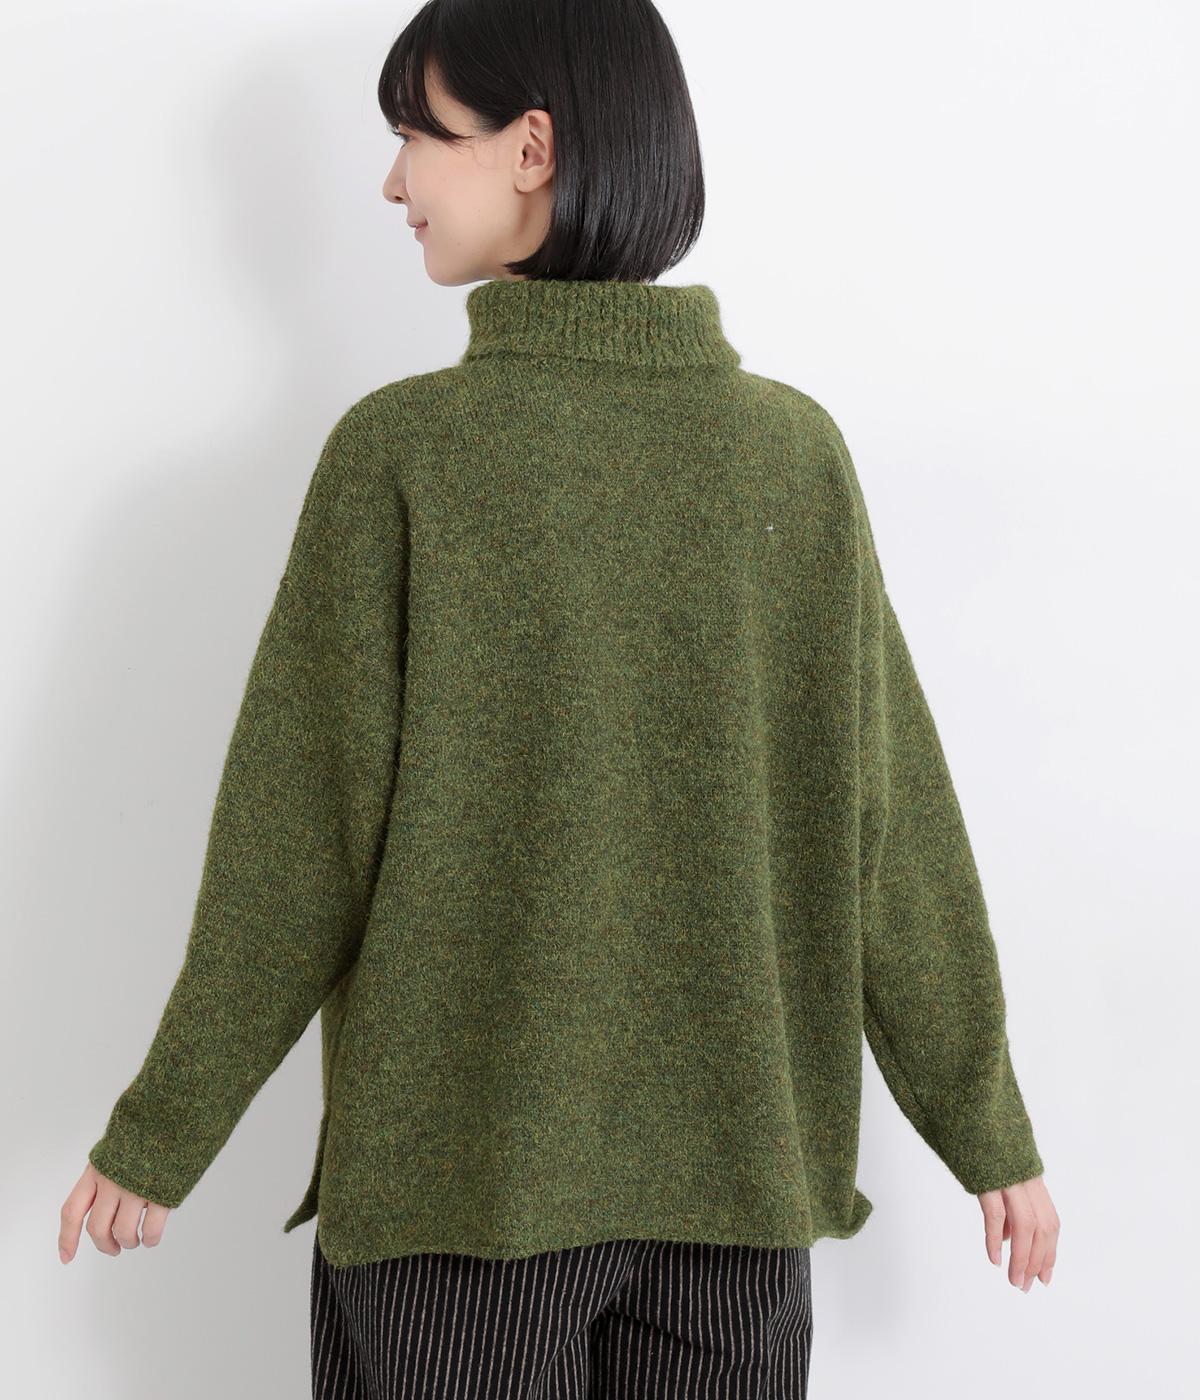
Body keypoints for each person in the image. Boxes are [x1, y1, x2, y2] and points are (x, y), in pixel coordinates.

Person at [59, 1, 1060, 1395]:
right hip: (736, 1211)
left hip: (458, 1202)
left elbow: (298, 843)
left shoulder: (408, 455)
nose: (393, 180)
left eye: (418, 134)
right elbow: (893, 832)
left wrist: (162, 1132)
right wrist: (987, 1129)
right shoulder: (791, 457)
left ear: (532, 148)